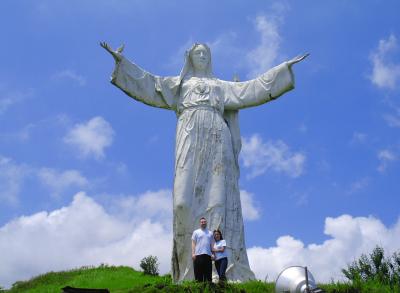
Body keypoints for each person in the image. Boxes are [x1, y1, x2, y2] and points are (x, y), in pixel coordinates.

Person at [100, 41, 307, 282]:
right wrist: (122, 63)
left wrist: (282, 69)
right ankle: (189, 270)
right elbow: (150, 84)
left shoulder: (220, 86)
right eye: (197, 53)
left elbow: (251, 89)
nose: (201, 56)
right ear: (189, 57)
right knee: (182, 203)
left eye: (205, 53)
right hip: (189, 132)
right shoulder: (179, 85)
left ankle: (218, 270)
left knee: (217, 201)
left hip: (217, 137)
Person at [191, 217, 213, 282]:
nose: (203, 223)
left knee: (208, 275)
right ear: (200, 223)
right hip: (198, 255)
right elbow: (193, 243)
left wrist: (213, 254)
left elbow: (212, 244)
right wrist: (193, 253)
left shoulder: (210, 233)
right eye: (202, 222)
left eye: (204, 222)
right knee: (198, 275)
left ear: (206, 223)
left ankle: (208, 289)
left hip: (208, 255)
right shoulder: (196, 232)